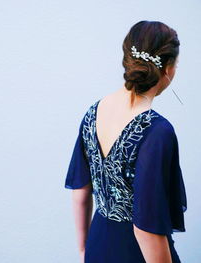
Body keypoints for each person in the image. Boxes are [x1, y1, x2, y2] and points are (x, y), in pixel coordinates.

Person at [64, 20, 187, 263]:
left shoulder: (93, 112)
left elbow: (80, 192)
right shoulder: (157, 131)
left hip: (97, 243)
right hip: (134, 253)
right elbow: (146, 229)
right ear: (168, 69)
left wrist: (83, 251)